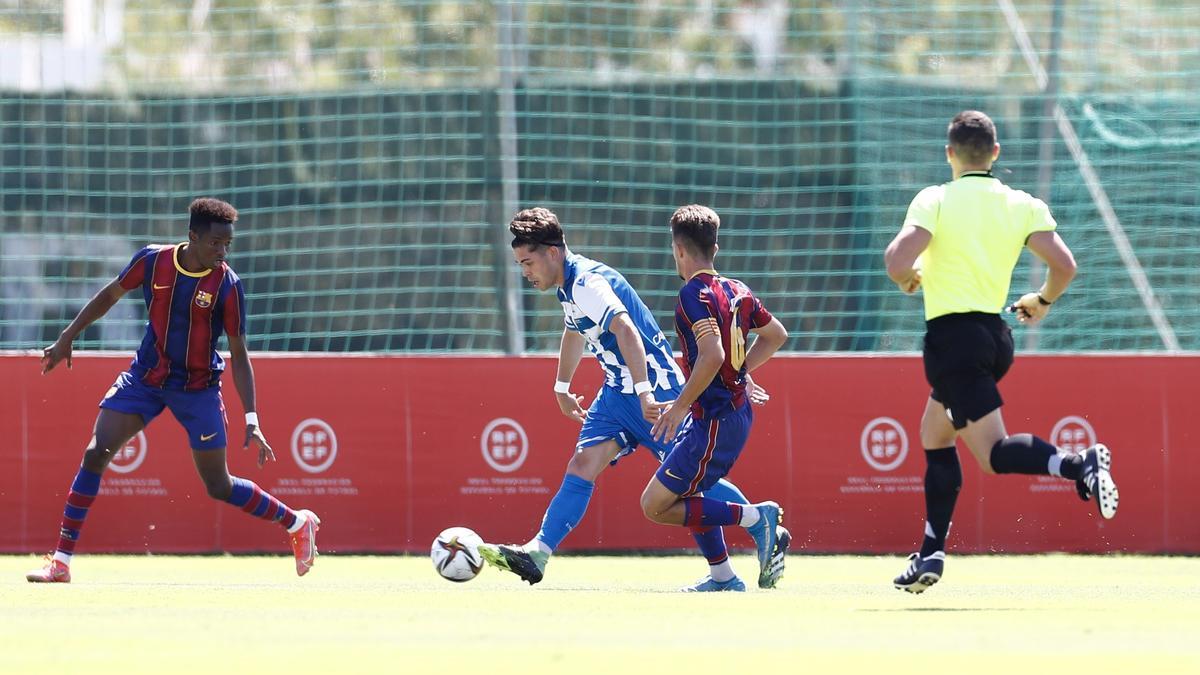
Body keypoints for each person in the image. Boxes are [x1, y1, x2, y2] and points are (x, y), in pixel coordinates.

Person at [479, 207, 786, 591]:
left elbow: (626, 329)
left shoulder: (588, 283)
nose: (525, 271)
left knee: (689, 485)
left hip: (654, 390)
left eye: (527, 262)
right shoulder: (568, 286)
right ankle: (538, 552)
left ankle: (754, 529)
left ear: (552, 252)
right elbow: (574, 329)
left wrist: (644, 392)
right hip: (615, 393)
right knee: (583, 463)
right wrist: (561, 387)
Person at [883, 110, 1119, 594]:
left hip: (954, 341)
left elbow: (896, 261)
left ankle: (1080, 464)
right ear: (995, 154)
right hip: (994, 337)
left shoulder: (936, 199)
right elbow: (1065, 265)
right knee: (934, 432)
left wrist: (907, 277)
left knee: (991, 454)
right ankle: (930, 553)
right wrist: (1043, 300)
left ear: (949, 153)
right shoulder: (1021, 203)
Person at [26, 198, 320, 583]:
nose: (222, 251)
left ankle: (297, 522)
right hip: (146, 379)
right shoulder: (152, 260)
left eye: (228, 244)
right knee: (97, 452)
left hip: (197, 389)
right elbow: (109, 295)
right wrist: (67, 337)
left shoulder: (228, 286)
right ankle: (61, 562)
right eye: (215, 243)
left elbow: (239, 354)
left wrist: (252, 418)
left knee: (218, 485)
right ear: (192, 236)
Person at [640, 205, 791, 592]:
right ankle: (723, 577)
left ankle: (757, 518)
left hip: (716, 417)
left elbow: (713, 355)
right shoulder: (737, 289)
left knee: (655, 505)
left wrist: (677, 407)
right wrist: (741, 373)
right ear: (716, 248)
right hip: (729, 414)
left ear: (678, 250)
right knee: (692, 493)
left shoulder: (693, 293)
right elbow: (776, 335)